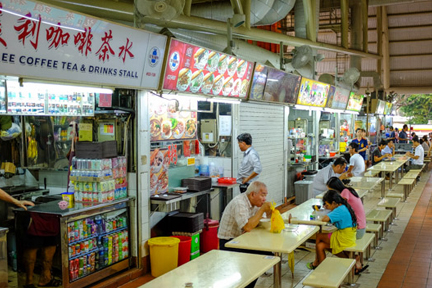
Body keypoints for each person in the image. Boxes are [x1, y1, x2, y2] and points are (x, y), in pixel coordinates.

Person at [218, 181, 272, 288]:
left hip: (243, 240)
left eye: (265, 196)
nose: (264, 199)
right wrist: (262, 210)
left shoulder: (254, 203)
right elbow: (247, 227)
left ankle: (248, 283)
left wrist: (270, 211)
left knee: (269, 255)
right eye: (262, 195)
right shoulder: (240, 203)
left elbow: (262, 220)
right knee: (259, 259)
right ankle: (246, 284)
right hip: (230, 242)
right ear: (252, 194)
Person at [306, 190, 357, 271]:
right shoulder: (343, 206)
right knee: (320, 245)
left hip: (344, 236)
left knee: (319, 236)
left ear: (333, 203)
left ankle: (317, 262)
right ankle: (322, 267)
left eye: (327, 204)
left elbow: (324, 219)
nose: (327, 206)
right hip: (348, 235)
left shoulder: (339, 209)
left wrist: (328, 212)